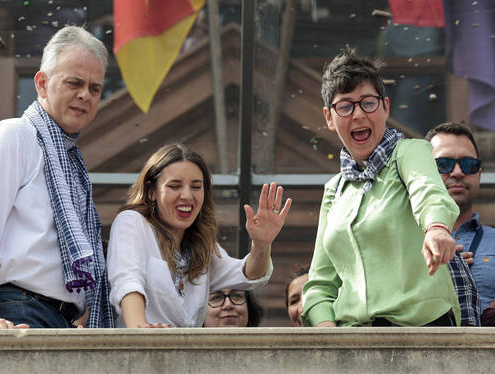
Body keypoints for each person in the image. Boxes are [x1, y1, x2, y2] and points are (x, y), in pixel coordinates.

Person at [0, 26, 114, 329]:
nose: (85, 95)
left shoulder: (69, 161)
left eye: (95, 88)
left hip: (55, 319)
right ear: (41, 83)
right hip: (12, 313)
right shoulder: (13, 136)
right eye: (74, 83)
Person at [302, 49, 461, 327]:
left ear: (385, 106)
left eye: (368, 103)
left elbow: (429, 193)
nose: (359, 114)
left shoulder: (409, 152)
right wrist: (326, 333)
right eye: (345, 106)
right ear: (329, 117)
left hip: (421, 333)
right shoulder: (335, 190)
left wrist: (436, 228)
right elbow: (319, 285)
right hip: (352, 345)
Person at [107, 143, 291, 327]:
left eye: (196, 187)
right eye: (174, 186)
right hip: (139, 352)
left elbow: (249, 276)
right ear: (151, 191)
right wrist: (140, 332)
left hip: (188, 354)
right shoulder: (132, 222)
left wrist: (261, 243)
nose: (187, 196)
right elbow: (127, 282)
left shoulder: (200, 245)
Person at [426, 122, 495, 316]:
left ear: (479, 175)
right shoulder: (399, 246)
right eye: (443, 164)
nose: (457, 172)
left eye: (468, 165)